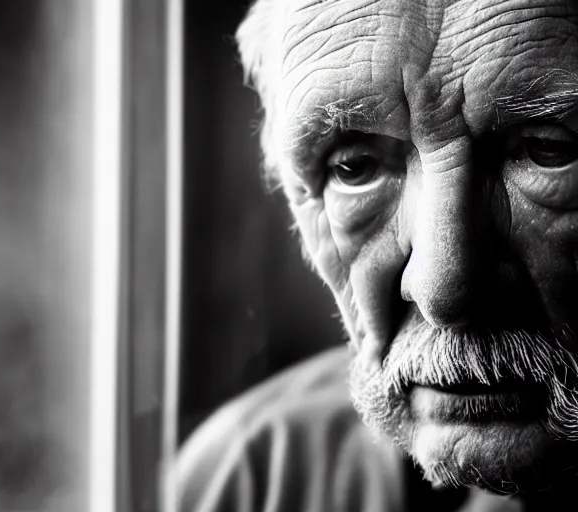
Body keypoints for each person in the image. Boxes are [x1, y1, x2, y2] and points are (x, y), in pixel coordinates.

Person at [173, 0, 578, 510]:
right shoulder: (254, 480)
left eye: (549, 150)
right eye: (354, 168)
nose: (443, 291)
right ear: (298, 194)